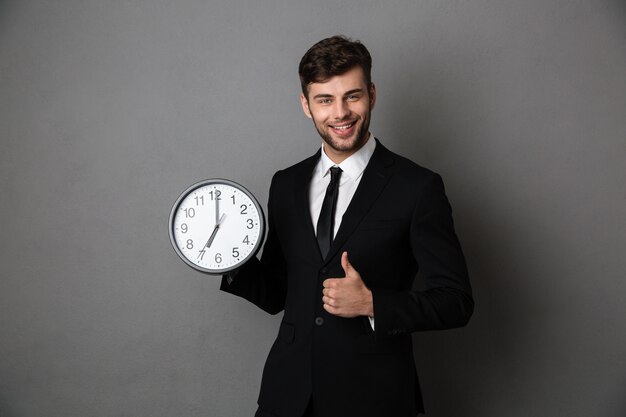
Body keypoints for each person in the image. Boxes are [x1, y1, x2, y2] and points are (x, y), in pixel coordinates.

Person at [221, 35, 473, 417]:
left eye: (352, 96)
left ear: (371, 94)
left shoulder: (417, 187)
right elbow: (278, 293)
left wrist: (372, 303)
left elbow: (456, 301)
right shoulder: (285, 184)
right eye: (325, 99)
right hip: (287, 397)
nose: (340, 113)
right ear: (306, 105)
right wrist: (229, 259)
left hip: (374, 397)